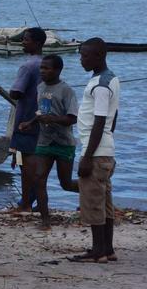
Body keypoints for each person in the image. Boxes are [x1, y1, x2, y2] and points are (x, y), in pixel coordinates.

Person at [69, 38, 120, 264]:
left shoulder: (100, 85)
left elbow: (99, 121)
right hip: (106, 148)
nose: (82, 60)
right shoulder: (111, 79)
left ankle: (98, 250)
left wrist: (87, 156)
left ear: (99, 56)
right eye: (81, 55)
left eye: (85, 56)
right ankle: (107, 248)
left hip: (96, 151)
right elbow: (113, 116)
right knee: (105, 202)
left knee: (93, 202)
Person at [18, 55, 80, 230]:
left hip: (63, 143)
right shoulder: (40, 87)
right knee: (38, 178)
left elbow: (72, 118)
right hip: (45, 141)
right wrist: (29, 123)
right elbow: (40, 112)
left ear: (58, 70)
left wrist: (53, 119)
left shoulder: (66, 90)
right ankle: (45, 221)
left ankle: (91, 191)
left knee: (65, 183)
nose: (43, 71)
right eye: (41, 68)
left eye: (47, 68)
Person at [11, 28, 47, 213]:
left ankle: (26, 203)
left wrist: (13, 91)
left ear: (37, 43)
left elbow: (16, 92)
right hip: (42, 119)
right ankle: (34, 201)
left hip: (26, 119)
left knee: (26, 164)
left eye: (26, 40)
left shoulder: (28, 66)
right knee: (37, 163)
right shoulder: (47, 64)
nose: (23, 42)